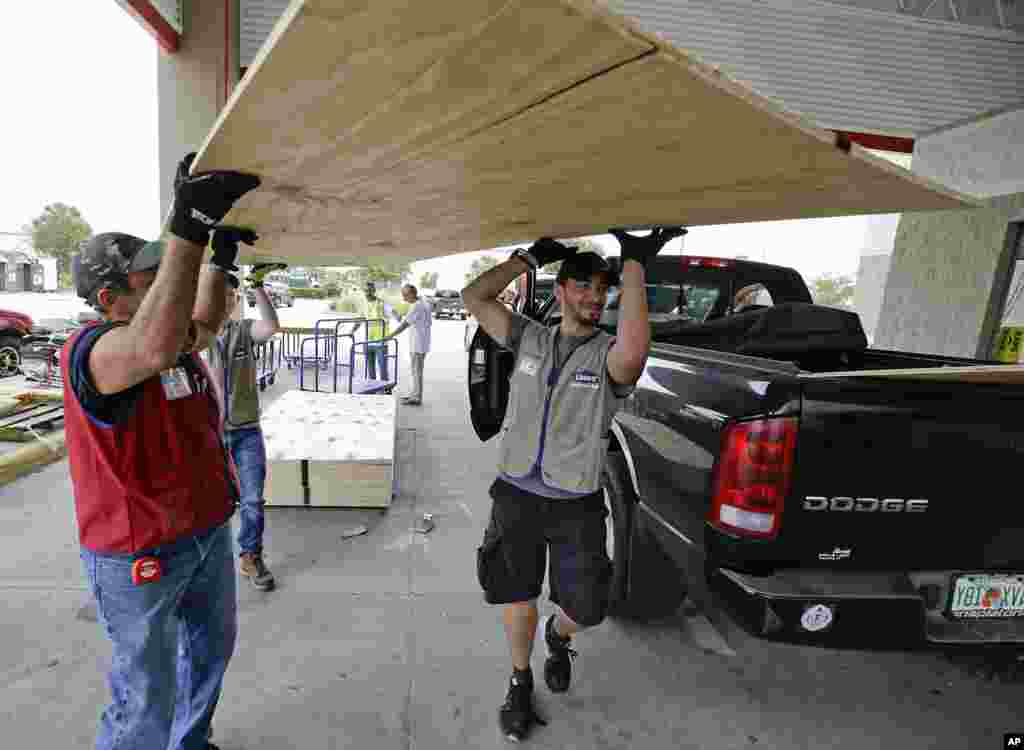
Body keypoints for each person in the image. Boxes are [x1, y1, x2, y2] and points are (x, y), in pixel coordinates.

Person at [63, 152, 260, 750]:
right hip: (138, 552)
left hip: (202, 534)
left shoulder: (169, 338)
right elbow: (151, 350)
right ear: (109, 296)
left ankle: (190, 744)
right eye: (150, 281)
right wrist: (189, 225)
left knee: (209, 655)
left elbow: (205, 320)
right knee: (144, 692)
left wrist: (219, 261)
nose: (163, 291)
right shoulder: (94, 350)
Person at [462, 227, 684, 741]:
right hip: (516, 493)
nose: (592, 296)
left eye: (600, 289)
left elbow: (634, 355)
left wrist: (634, 266)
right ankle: (519, 681)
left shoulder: (608, 353)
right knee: (516, 591)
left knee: (587, 607)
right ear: (561, 290)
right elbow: (474, 297)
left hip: (575, 503)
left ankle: (558, 638)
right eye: (582, 286)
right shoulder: (529, 336)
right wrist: (526, 258)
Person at [206, 236, 284, 591]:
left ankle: (250, 556)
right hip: (205, 435)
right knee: (209, 504)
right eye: (218, 295)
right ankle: (205, 563)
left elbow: (270, 327)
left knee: (252, 499)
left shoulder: (241, 331)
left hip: (245, 431)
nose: (224, 301)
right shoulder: (188, 335)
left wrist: (259, 288)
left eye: (230, 296)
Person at [382, 283, 432, 405]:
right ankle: (414, 395)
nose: (403, 298)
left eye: (405, 295)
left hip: (418, 343)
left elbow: (405, 324)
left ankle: (416, 397)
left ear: (412, 294)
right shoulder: (424, 303)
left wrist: (390, 336)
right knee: (416, 370)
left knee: (416, 371)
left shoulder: (416, 306)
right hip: (422, 342)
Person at [362, 281, 391, 381]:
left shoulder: (382, 303)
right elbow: (361, 318)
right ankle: (372, 390)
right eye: (365, 291)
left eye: (369, 291)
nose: (367, 293)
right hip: (368, 341)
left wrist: (398, 317)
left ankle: (386, 391)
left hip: (381, 341)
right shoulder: (364, 304)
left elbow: (393, 311)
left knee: (383, 369)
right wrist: (352, 331)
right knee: (371, 370)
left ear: (374, 291)